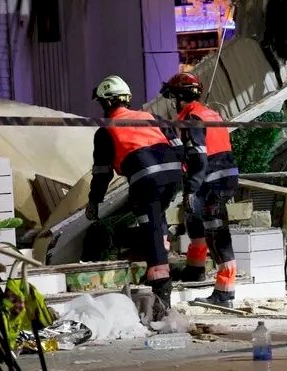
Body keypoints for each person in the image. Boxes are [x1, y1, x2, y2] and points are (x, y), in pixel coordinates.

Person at [85, 75, 182, 309]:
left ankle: (161, 289)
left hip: (146, 180)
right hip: (173, 175)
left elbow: (102, 173)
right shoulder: (151, 117)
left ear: (106, 103)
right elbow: (178, 146)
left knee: (149, 229)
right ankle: (156, 268)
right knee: (157, 218)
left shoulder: (106, 130)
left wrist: (94, 202)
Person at [160, 72, 239, 308]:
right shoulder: (209, 113)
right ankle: (195, 270)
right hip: (220, 178)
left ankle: (225, 294)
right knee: (195, 220)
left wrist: (190, 189)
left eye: (173, 97)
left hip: (211, 181)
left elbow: (199, 159)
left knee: (216, 234)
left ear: (179, 97)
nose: (172, 103)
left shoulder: (192, 118)